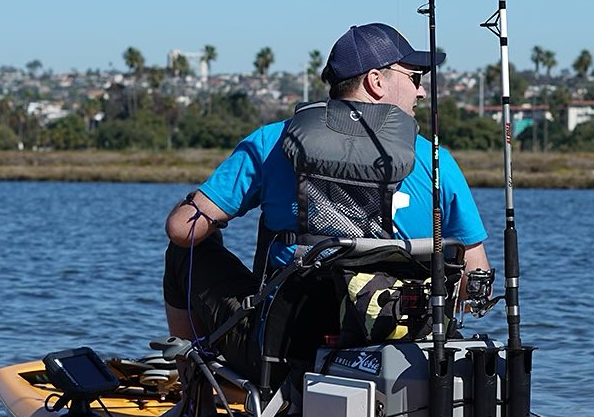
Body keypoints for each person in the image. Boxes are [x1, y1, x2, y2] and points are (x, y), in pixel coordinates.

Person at [162, 22, 490, 374]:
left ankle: (195, 401)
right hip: (405, 358)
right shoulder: (436, 160)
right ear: (376, 81)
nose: (422, 91)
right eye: (414, 78)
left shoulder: (272, 141)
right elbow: (476, 279)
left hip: (283, 353)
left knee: (184, 253)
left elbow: (183, 229)